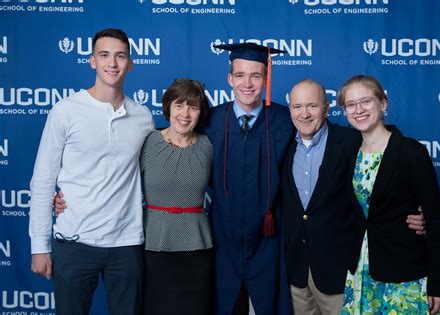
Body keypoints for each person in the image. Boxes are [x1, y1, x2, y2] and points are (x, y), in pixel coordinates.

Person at [29, 28, 154, 315]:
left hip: (127, 244)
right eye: (105, 55)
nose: (113, 63)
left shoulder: (143, 117)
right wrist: (39, 245)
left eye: (120, 56)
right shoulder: (65, 111)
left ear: (130, 63)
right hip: (75, 243)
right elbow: (43, 179)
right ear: (92, 61)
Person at [281, 79, 428, 315]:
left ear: (327, 108)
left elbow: (382, 183)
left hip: (341, 273)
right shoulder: (282, 143)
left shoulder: (353, 141)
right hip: (296, 271)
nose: (304, 114)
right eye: (297, 107)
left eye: (312, 106)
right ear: (290, 110)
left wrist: (421, 215)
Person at [338, 75, 440, 314]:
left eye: (366, 101)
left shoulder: (411, 152)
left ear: (383, 103)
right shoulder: (350, 153)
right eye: (351, 104)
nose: (359, 110)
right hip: (360, 273)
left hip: (403, 274)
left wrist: (439, 285)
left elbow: (436, 221)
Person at [205, 42, 293, 314]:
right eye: (240, 75)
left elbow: (333, 145)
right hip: (222, 236)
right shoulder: (211, 120)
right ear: (230, 79)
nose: (248, 83)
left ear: (266, 79)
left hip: (269, 237)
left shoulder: (286, 120)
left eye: (256, 76)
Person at [140, 78, 214, 315]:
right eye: (179, 105)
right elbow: (116, 180)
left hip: (197, 248)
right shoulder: (147, 142)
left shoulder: (209, 145)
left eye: (193, 107)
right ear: (168, 108)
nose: (185, 113)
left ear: (200, 112)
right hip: (153, 246)